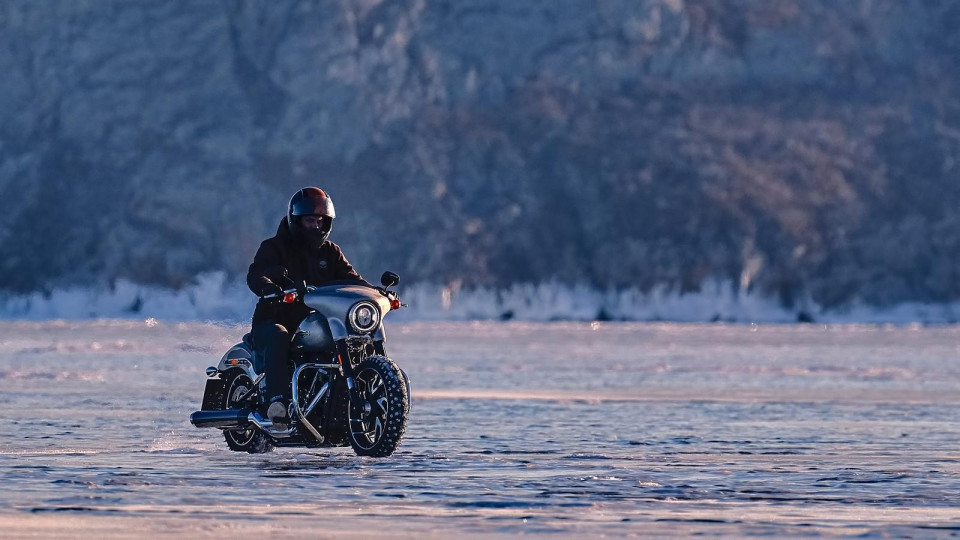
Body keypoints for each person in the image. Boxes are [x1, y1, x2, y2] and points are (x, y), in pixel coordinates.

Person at [246, 187, 369, 424]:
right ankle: (277, 402)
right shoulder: (274, 247)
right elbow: (256, 273)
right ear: (296, 220)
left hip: (316, 321)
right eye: (310, 220)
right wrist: (268, 287)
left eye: (320, 220)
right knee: (279, 335)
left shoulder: (331, 251)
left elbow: (352, 279)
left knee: (353, 341)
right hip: (275, 319)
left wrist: (373, 293)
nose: (315, 225)